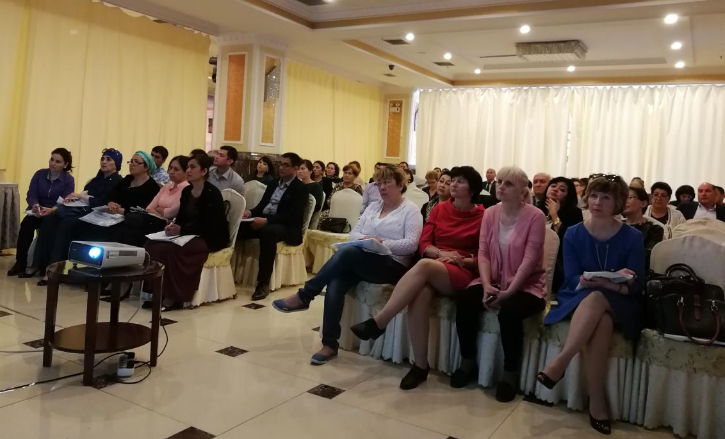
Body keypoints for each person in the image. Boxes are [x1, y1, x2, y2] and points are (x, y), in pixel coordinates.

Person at [271, 165, 423, 365]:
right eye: (379, 183)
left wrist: (382, 243)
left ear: (400, 185)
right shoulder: (373, 207)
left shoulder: (410, 210)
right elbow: (354, 233)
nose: (382, 187)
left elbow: (411, 244)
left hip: (393, 265)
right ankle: (329, 344)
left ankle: (305, 295)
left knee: (347, 253)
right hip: (364, 259)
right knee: (336, 282)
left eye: (387, 182)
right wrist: (367, 240)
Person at [350, 166, 485, 390]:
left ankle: (381, 321)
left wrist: (462, 259)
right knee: (419, 296)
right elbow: (424, 244)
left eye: (460, 181)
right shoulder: (440, 209)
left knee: (423, 265)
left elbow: (486, 256)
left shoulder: (483, 216)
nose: (453, 184)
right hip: (435, 266)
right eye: (453, 180)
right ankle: (420, 366)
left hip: (462, 271)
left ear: (472, 189)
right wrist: (440, 253)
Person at [538, 174, 645, 435]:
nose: (597, 202)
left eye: (606, 197)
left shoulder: (632, 236)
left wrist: (612, 284)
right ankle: (597, 401)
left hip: (621, 300)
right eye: (594, 196)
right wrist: (594, 282)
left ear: (617, 202)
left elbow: (637, 282)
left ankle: (561, 361)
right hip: (580, 296)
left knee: (598, 298)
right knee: (601, 318)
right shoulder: (574, 233)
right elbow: (571, 277)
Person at [452, 166, 547, 402]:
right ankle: (467, 361)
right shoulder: (491, 213)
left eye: (508, 184)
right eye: (499, 181)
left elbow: (530, 260)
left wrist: (509, 292)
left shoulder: (535, 216)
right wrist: (486, 285)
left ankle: (509, 374)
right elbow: (483, 253)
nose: (500, 186)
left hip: (527, 285)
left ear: (522, 192)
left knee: (509, 313)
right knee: (465, 300)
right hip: (493, 279)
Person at [144, 154, 229, 311]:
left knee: (174, 250)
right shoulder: (187, 191)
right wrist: (173, 227)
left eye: (192, 167)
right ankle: (156, 292)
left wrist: (182, 230)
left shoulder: (212, 193)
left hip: (210, 237)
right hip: (189, 234)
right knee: (153, 245)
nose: (188, 170)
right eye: (188, 167)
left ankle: (174, 297)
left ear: (203, 171)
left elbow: (211, 225)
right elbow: (182, 217)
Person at [27, 148, 124, 285]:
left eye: (109, 159)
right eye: (102, 159)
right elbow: (86, 196)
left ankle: (56, 271)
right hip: (83, 211)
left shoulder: (119, 182)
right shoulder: (95, 180)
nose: (104, 162)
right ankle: (40, 264)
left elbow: (104, 202)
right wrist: (73, 199)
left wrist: (81, 197)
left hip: (100, 217)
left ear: (117, 164)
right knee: (49, 219)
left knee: (66, 224)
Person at [240, 153, 308, 300]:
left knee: (268, 232)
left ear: (295, 168)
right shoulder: (273, 183)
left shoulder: (300, 188)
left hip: (286, 227)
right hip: (266, 221)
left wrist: (266, 221)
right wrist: (249, 212)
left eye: (286, 165)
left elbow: (293, 216)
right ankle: (228, 270)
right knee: (238, 226)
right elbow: (261, 206)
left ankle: (263, 283)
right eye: (280, 164)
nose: (281, 167)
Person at [8, 148, 75, 276]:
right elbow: (31, 194)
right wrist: (35, 205)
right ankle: (20, 262)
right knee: (26, 224)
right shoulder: (39, 174)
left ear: (65, 164)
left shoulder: (68, 180)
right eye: (52, 159)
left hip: (54, 213)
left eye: (58, 161)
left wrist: (52, 209)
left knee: (47, 226)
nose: (53, 163)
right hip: (37, 211)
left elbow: (65, 200)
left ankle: (42, 265)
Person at [77, 151, 161, 244]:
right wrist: (111, 203)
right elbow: (111, 196)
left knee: (106, 231)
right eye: (131, 161)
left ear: (146, 167)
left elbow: (144, 211)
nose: (131, 164)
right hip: (113, 215)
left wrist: (121, 211)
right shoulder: (127, 179)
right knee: (85, 225)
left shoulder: (152, 187)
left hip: (130, 222)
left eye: (136, 162)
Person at [109, 156, 190, 247]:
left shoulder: (187, 189)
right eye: (170, 168)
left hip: (168, 225)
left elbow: (170, 213)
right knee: (125, 227)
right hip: (156, 221)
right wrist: (161, 212)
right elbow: (149, 208)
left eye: (176, 169)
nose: (171, 172)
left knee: (133, 225)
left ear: (185, 172)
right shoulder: (166, 187)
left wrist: (159, 209)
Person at [543, 177, 584, 293]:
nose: (556, 189)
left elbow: (568, 239)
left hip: (559, 260)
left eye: (562, 189)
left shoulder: (574, 213)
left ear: (568, 196)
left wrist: (554, 215)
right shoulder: (537, 209)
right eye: (553, 186)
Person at [624, 187, 664, 272]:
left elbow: (645, 257)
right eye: (623, 197)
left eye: (629, 197)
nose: (624, 201)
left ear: (643, 203)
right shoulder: (615, 225)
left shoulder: (655, 229)